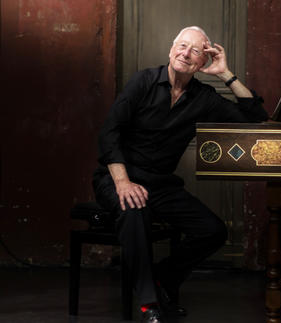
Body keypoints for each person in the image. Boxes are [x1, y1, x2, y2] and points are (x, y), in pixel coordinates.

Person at [92, 26, 268, 323]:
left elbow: (255, 119)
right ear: (171, 49)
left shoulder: (204, 97)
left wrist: (226, 74)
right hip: (118, 176)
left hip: (161, 184)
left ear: (202, 63)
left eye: (195, 51)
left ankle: (163, 278)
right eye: (182, 46)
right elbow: (109, 133)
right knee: (135, 211)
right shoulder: (143, 81)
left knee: (213, 230)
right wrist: (123, 182)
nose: (185, 53)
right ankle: (150, 304)